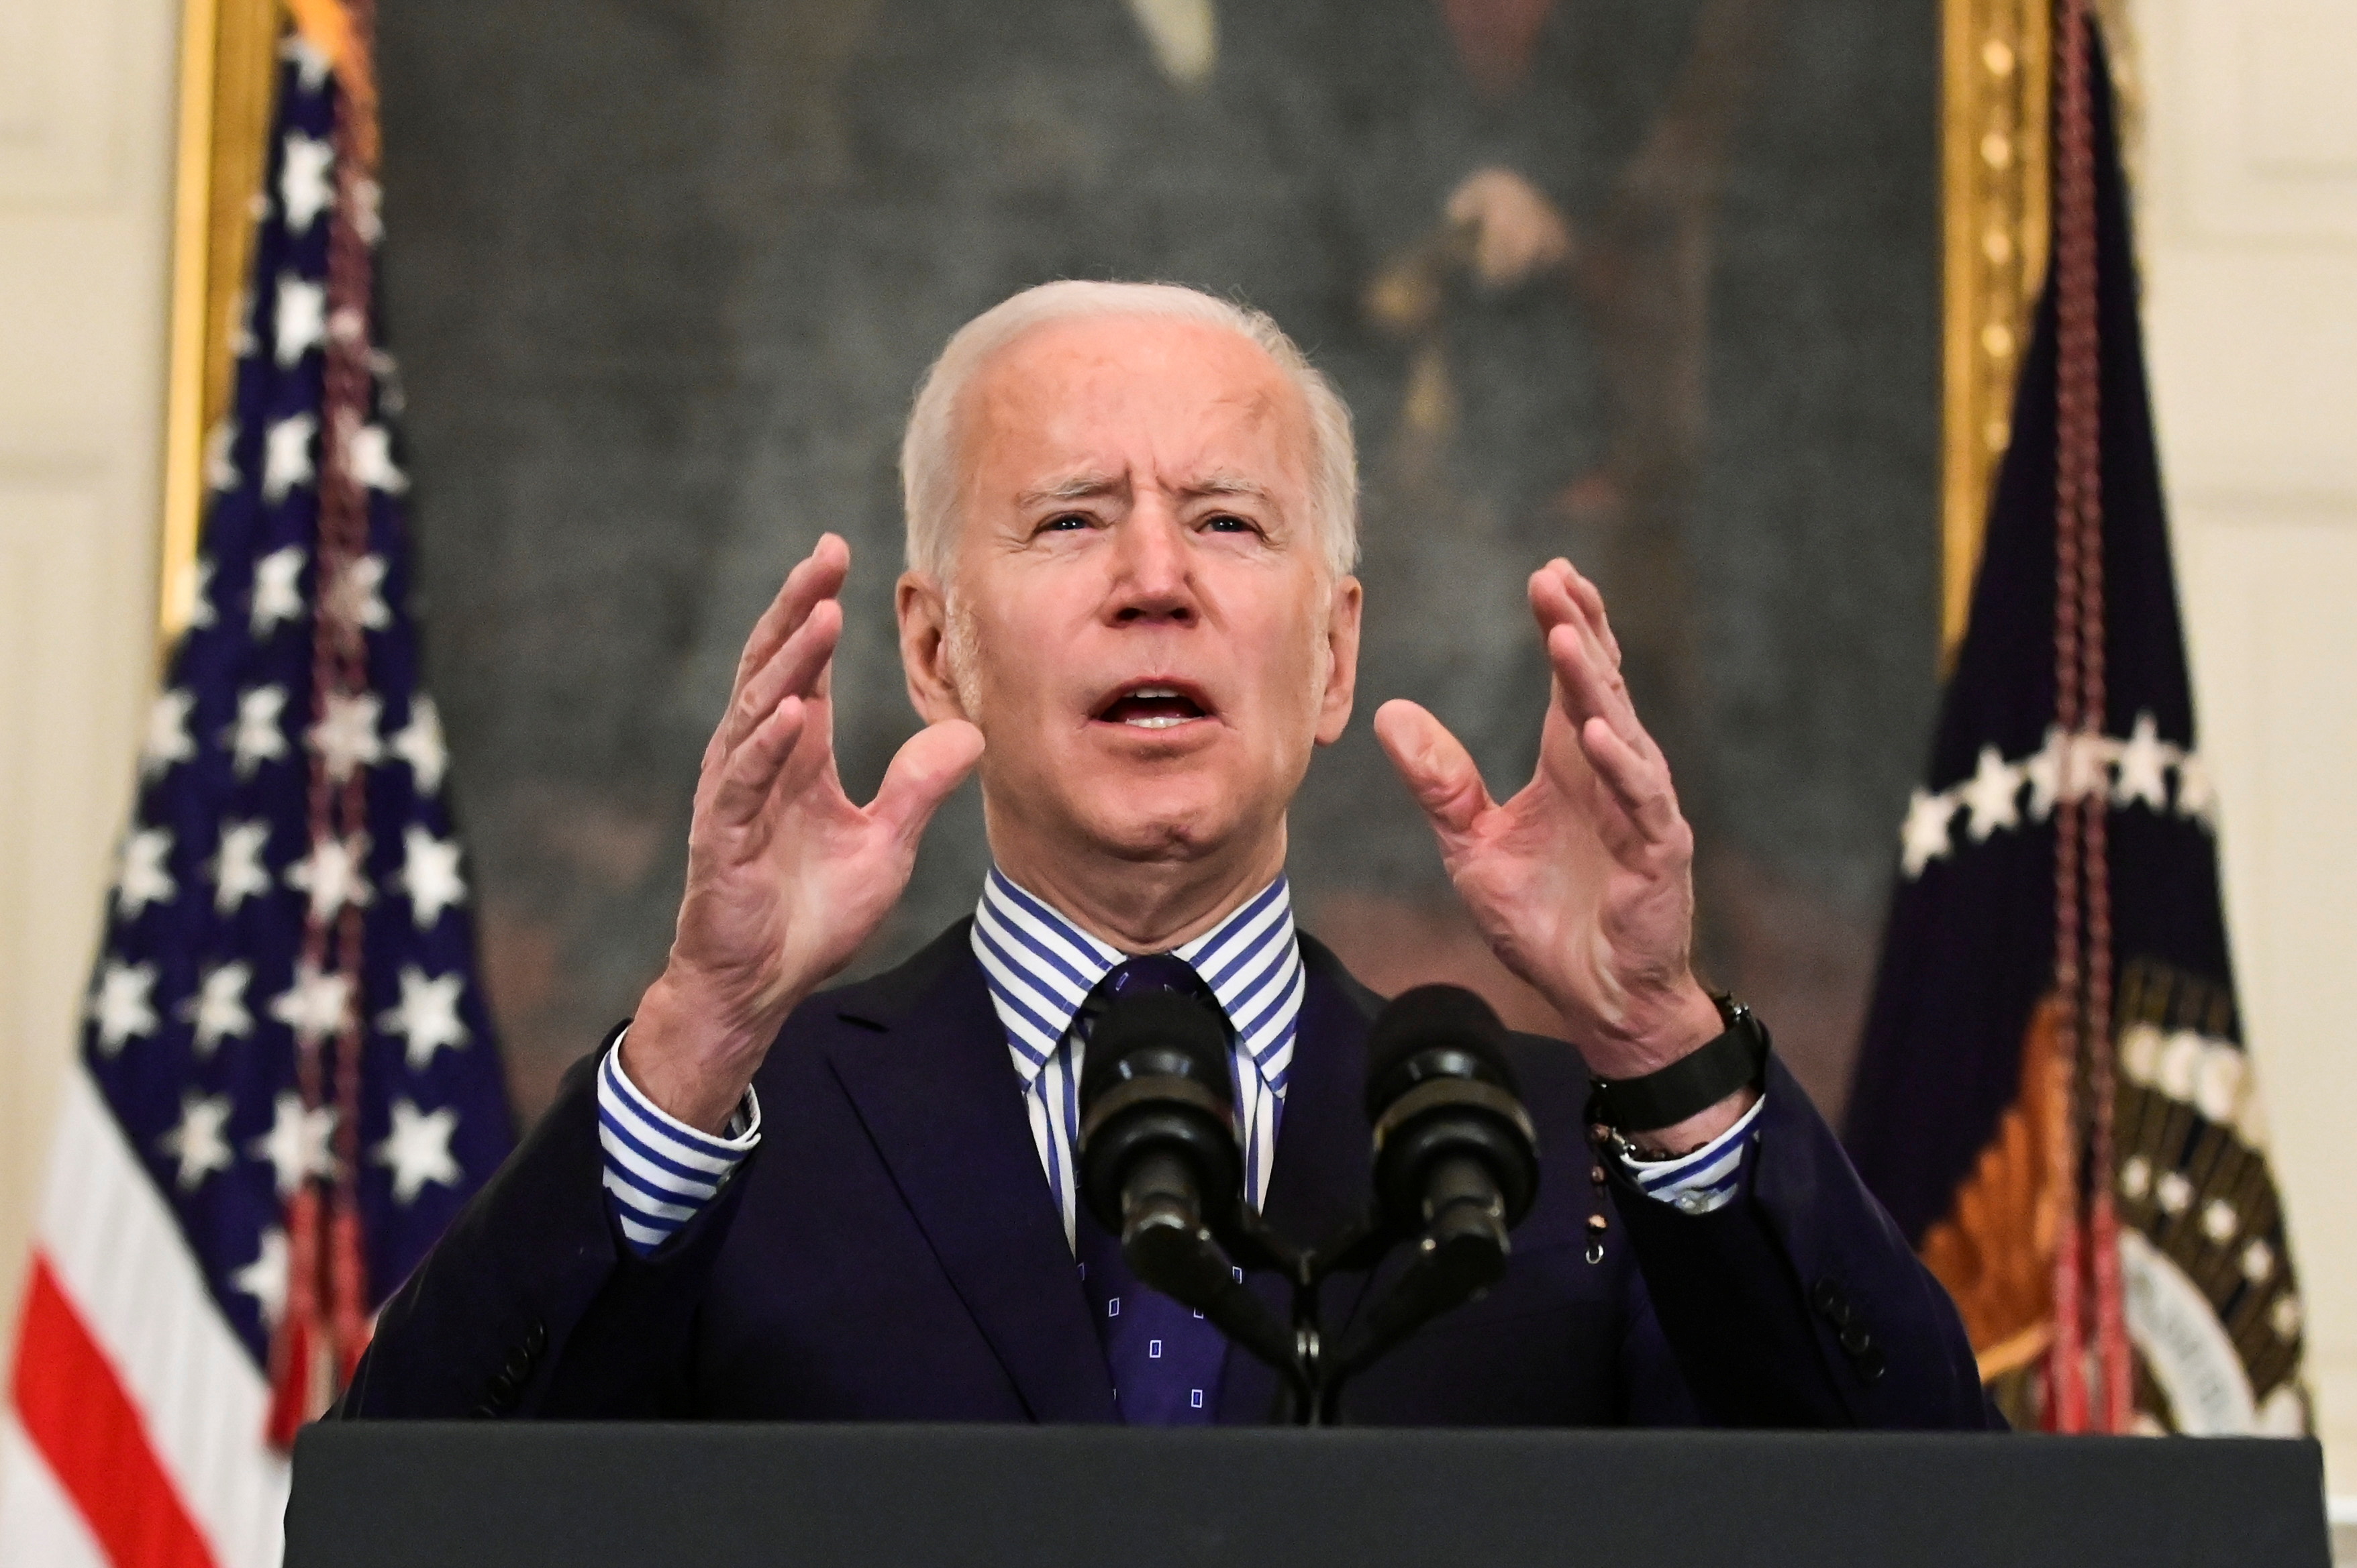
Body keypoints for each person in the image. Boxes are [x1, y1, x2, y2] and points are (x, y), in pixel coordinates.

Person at [341, 280, 1990, 1426]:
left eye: (1226, 518)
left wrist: (1662, 1039)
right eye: (1068, 517)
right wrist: (697, 1033)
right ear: (935, 653)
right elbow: (408, 1510)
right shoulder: (734, 1134)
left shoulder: (1556, 1158)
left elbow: (1927, 1518)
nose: (1154, 577)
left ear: (1333, 656)